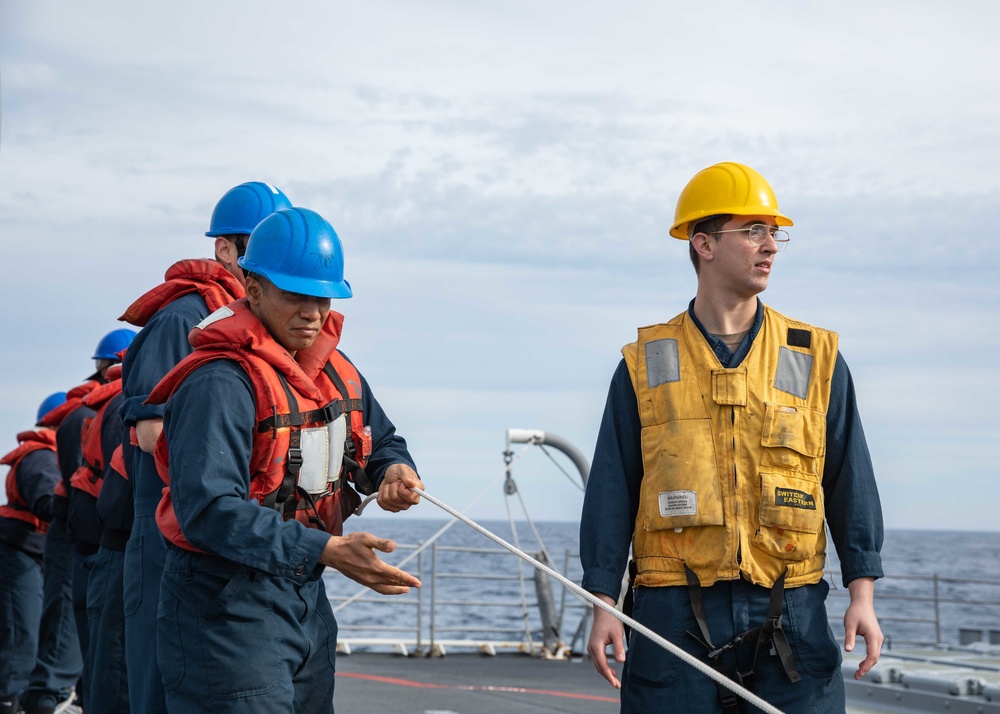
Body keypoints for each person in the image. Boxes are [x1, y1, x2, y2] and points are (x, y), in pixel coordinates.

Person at [581, 162, 884, 713]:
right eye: (752, 231)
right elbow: (612, 488)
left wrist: (861, 593)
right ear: (704, 243)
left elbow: (849, 479)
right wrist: (603, 601)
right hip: (672, 612)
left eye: (774, 233)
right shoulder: (646, 366)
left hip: (791, 607)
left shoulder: (813, 358)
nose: (769, 246)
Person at [145, 206, 423, 713]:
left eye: (322, 296)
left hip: (306, 599)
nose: (312, 312)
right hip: (222, 605)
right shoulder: (219, 382)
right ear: (252, 289)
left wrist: (395, 472)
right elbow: (208, 512)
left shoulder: (336, 370)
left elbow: (381, 440)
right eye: (295, 294)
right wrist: (327, 549)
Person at [118, 181, 291, 714]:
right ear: (225, 250)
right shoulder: (181, 317)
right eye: (257, 247)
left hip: (224, 527)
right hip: (171, 521)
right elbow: (150, 435)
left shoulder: (258, 328)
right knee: (157, 675)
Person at [23, 329, 134, 714]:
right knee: (78, 632)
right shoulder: (100, 412)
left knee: (84, 631)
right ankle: (49, 698)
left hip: (80, 535)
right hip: (90, 539)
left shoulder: (84, 412)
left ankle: (74, 697)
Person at [0, 392, 65, 712]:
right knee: (21, 631)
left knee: (35, 628)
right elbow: (45, 503)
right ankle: (10, 701)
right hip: (19, 551)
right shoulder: (41, 456)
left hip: (34, 551)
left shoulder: (50, 453)